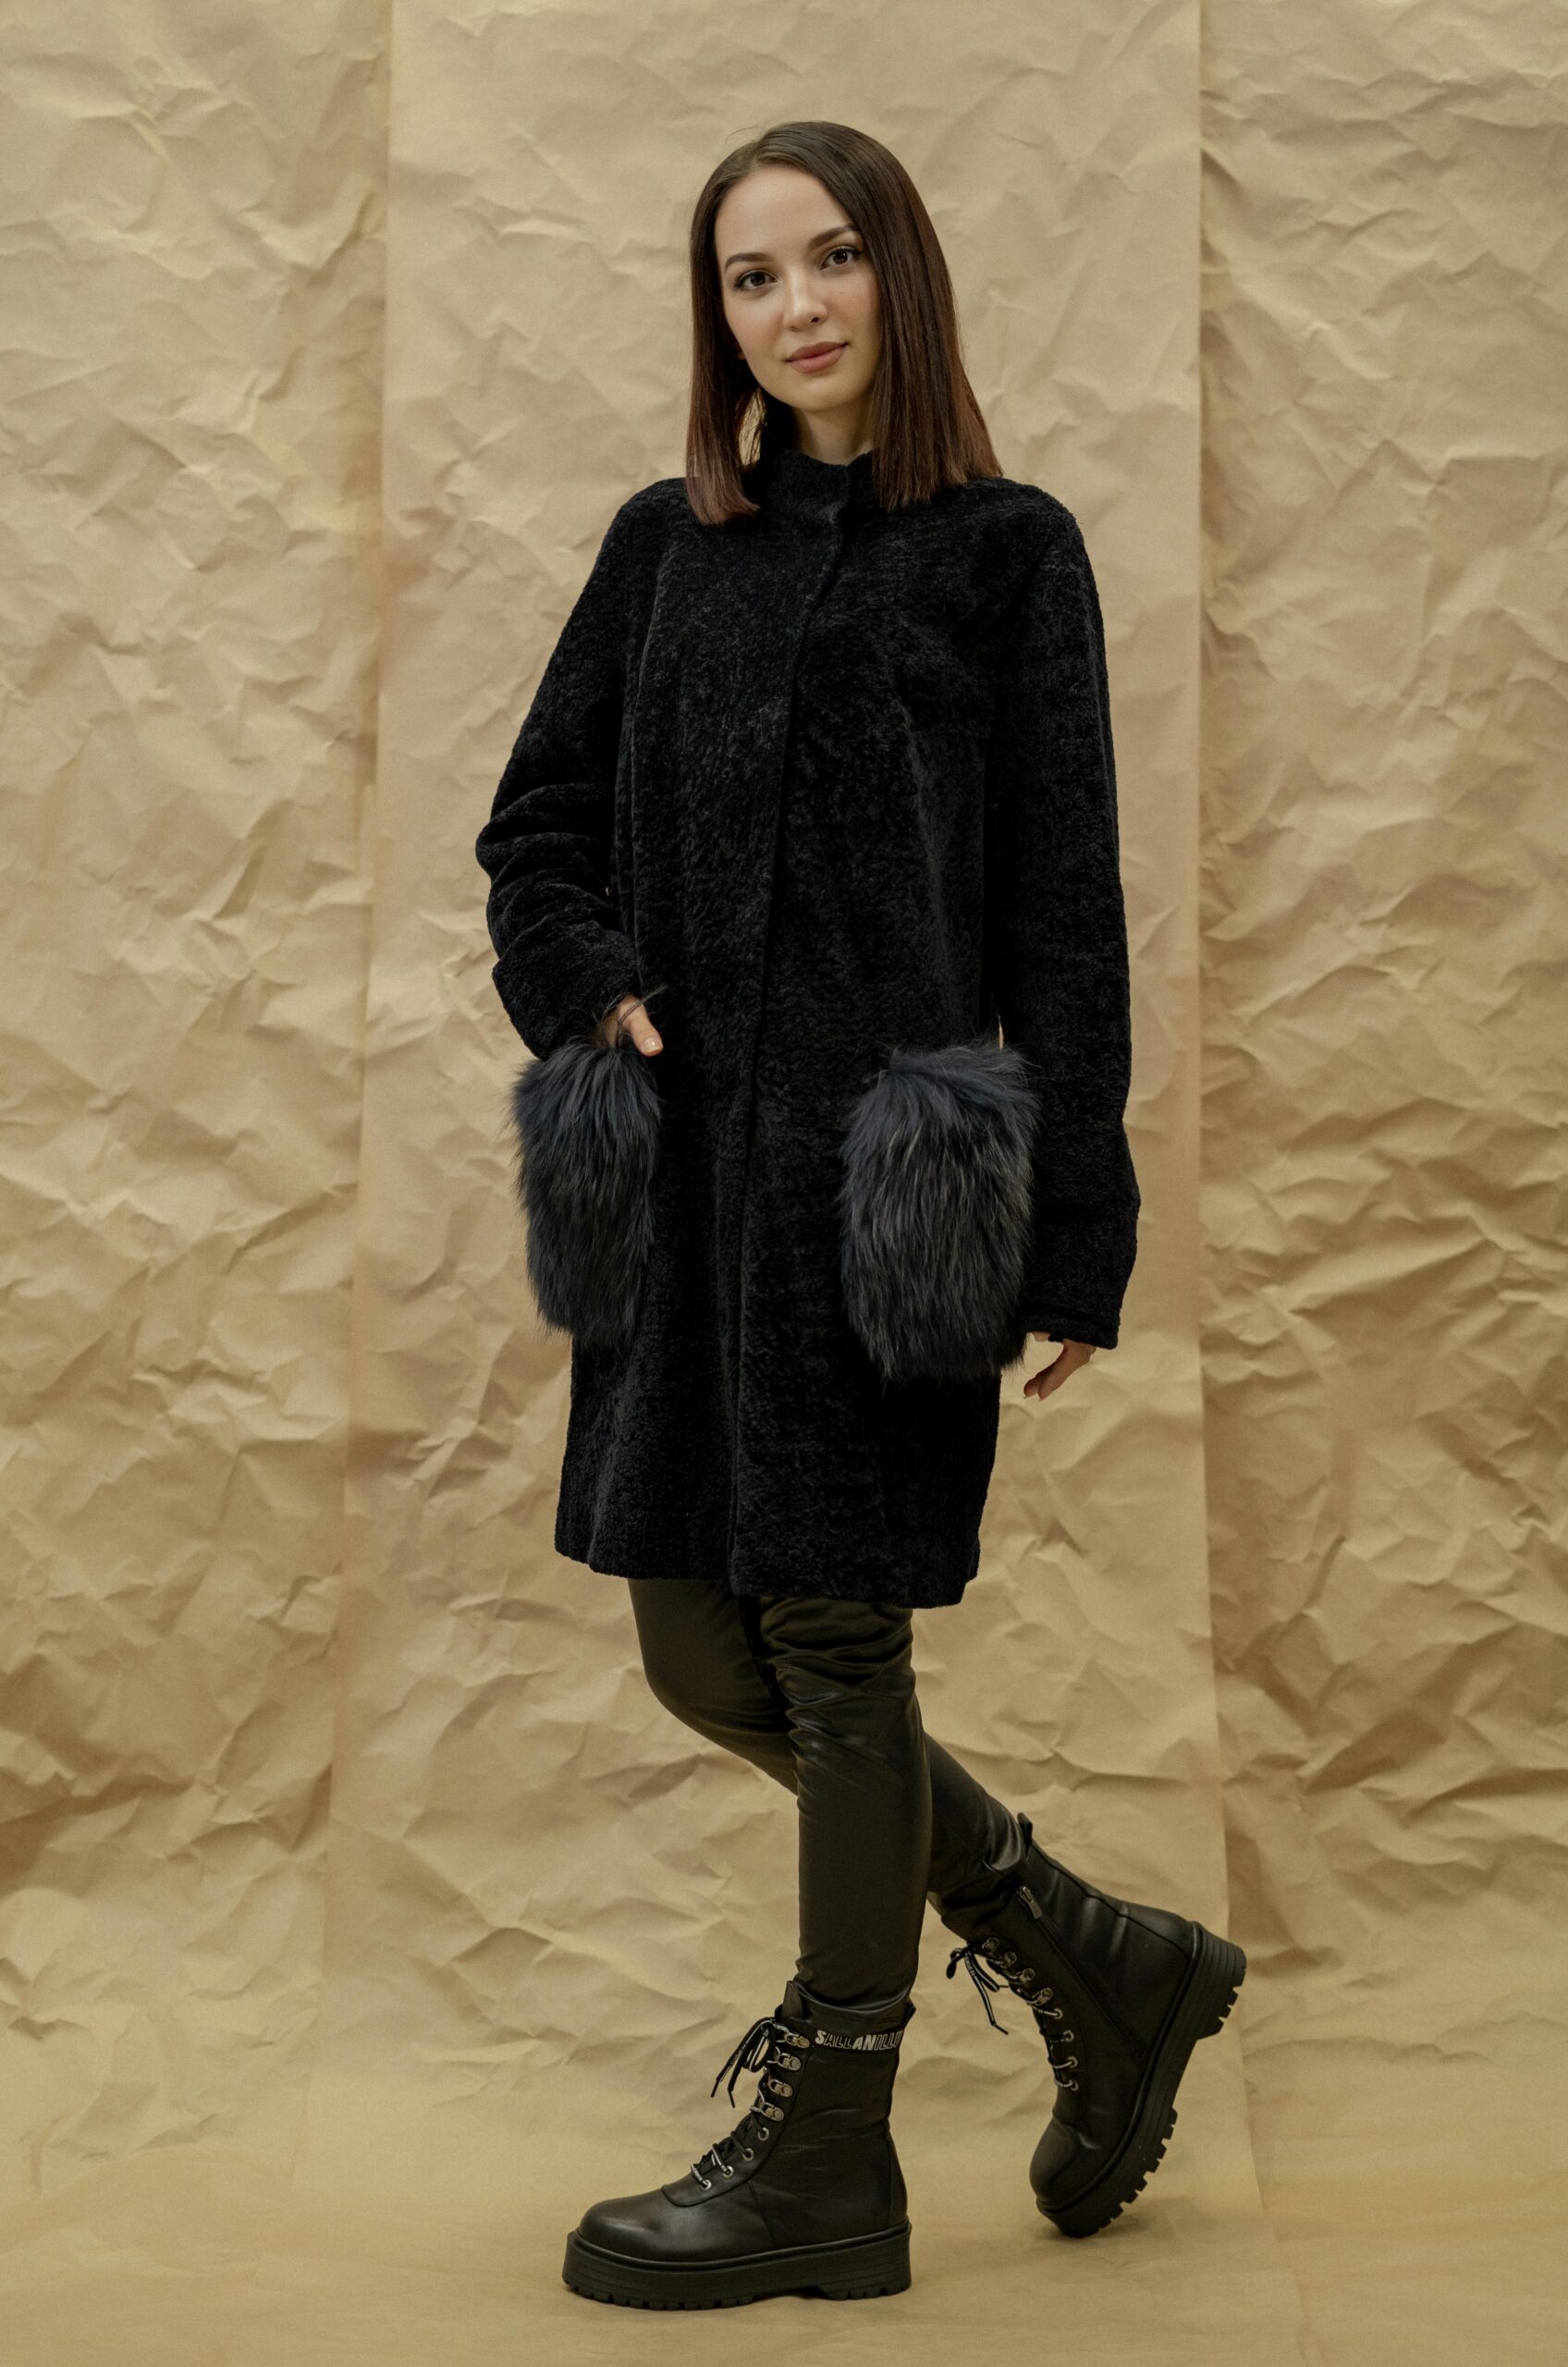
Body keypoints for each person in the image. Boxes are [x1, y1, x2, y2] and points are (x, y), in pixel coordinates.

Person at [474, 119, 1244, 2312]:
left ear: (898, 274)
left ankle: (832, 2145)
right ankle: (1088, 1949)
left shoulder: (1005, 555)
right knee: (693, 1643)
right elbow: (531, 826)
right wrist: (587, 976)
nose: (795, 307)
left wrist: (1072, 1227)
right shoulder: (666, 548)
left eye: (829, 259)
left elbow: (1061, 915)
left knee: (830, 1641)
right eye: (750, 277)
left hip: (876, 1185)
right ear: (713, 316)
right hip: (675, 1189)